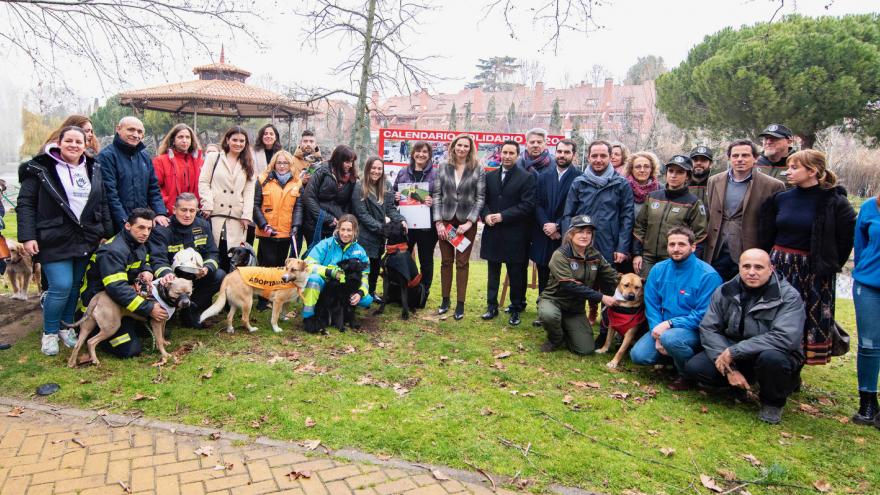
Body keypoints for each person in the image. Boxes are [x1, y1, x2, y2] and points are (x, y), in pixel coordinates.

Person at [17, 126, 113, 356]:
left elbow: (102, 202)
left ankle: (66, 327)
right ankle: (49, 333)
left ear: (85, 145)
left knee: (73, 287)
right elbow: (26, 204)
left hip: (85, 237)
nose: (74, 145)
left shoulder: (93, 167)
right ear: (59, 143)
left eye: (79, 142)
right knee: (59, 285)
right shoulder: (40, 168)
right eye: (68, 140)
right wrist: (28, 236)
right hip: (53, 237)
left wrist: (105, 231)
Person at [684, 249, 806, 424]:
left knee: (772, 360)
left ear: (771, 268)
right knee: (695, 367)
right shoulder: (725, 290)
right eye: (746, 266)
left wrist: (735, 351)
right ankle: (737, 384)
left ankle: (772, 402)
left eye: (758, 267)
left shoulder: (789, 297)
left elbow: (785, 337)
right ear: (739, 268)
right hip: (733, 350)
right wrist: (730, 369)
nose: (752, 272)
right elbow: (709, 328)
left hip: (772, 352)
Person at [758, 149, 856, 366]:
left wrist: (827, 264)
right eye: (788, 168)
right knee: (773, 314)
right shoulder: (781, 199)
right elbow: (767, 232)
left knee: (804, 320)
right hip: (779, 265)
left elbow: (845, 240)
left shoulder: (835, 202)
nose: (788, 173)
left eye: (794, 168)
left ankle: (796, 366)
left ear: (812, 171)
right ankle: (771, 363)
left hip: (812, 270)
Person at [630, 227, 722, 390]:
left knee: (671, 339)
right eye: (672, 244)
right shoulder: (658, 269)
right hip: (663, 329)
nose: (676, 249)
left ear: (693, 247)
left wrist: (669, 325)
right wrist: (657, 332)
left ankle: (687, 375)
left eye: (681, 244)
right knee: (638, 355)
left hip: (695, 331)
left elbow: (703, 314)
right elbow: (652, 305)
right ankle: (676, 358)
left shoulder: (708, 275)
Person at [79, 208, 166, 359]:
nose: (146, 233)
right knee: (130, 350)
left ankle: (128, 324)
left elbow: (143, 260)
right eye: (141, 227)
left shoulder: (138, 241)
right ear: (127, 226)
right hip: (98, 306)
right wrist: (148, 308)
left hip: (120, 303)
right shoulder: (113, 251)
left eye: (149, 228)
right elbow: (116, 289)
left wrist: (147, 270)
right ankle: (94, 332)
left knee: (159, 327)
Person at [563, 139, 633, 324]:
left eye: (603, 156)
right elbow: (568, 214)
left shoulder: (621, 184)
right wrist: (568, 242)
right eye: (594, 155)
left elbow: (627, 217)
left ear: (610, 157)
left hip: (609, 241)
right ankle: (589, 311)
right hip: (581, 242)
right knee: (584, 280)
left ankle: (606, 320)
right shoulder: (579, 182)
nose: (598, 159)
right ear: (588, 157)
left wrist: (622, 247)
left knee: (607, 282)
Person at [704, 139, 785, 281]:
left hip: (750, 251)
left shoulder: (772, 185)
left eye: (745, 155)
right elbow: (710, 214)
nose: (740, 159)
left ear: (755, 158)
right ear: (729, 158)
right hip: (716, 251)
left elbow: (775, 224)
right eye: (735, 156)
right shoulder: (714, 181)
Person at [537, 215, 619, 354]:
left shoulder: (595, 255)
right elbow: (569, 285)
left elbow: (612, 276)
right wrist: (602, 297)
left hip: (575, 308)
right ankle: (556, 339)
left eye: (588, 232)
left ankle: (566, 326)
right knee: (549, 315)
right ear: (571, 234)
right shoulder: (560, 254)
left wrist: (635, 282)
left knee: (585, 349)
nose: (584, 236)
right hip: (554, 300)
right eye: (580, 231)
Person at [480, 140, 536, 326]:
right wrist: (486, 215)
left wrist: (502, 216)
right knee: (493, 271)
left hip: (515, 234)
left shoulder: (527, 177)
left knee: (516, 273)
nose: (507, 156)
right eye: (504, 152)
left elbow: (527, 205)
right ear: (500, 154)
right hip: (493, 232)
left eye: (512, 153)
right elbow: (484, 202)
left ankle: (516, 308)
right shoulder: (490, 176)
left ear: (518, 155)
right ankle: (491, 306)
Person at [148, 193, 223, 328]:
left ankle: (190, 310)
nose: (187, 215)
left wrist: (207, 268)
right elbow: (157, 259)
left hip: (197, 275)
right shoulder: (162, 230)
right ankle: (171, 309)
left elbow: (212, 253)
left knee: (219, 275)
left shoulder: (203, 226)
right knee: (166, 332)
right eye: (183, 210)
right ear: (174, 209)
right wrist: (166, 274)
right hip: (172, 279)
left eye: (192, 210)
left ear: (197, 211)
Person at [432, 133, 486, 320]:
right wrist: (438, 222)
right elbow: (437, 195)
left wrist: (470, 222)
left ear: (470, 149)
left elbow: (480, 198)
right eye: (459, 145)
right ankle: (445, 301)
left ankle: (460, 304)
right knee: (446, 262)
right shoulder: (442, 167)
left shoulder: (477, 169)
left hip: (466, 222)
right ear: (453, 146)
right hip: (446, 221)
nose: (462, 149)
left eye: (466, 146)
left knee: (462, 263)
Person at [632, 155, 708, 277]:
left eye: (679, 172)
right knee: (647, 293)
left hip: (675, 260)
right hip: (648, 259)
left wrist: (690, 261)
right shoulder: (653, 197)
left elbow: (700, 236)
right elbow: (640, 226)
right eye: (671, 171)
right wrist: (637, 254)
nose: (673, 175)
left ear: (687, 176)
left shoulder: (694, 202)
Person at [198, 126, 256, 272]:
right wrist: (207, 203)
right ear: (227, 140)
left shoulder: (248, 162)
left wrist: (246, 215)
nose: (238, 143)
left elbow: (249, 191)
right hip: (215, 212)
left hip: (237, 216)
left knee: (233, 253)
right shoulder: (214, 157)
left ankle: (230, 286)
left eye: (242, 141)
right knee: (215, 249)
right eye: (234, 140)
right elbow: (204, 181)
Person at [530, 139, 581, 297]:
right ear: (555, 153)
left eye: (567, 152)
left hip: (566, 234)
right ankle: (543, 306)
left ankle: (560, 307)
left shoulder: (579, 177)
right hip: (544, 233)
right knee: (543, 270)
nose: (562, 155)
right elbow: (537, 203)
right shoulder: (544, 176)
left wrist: (558, 226)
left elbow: (578, 207)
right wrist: (547, 225)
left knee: (564, 273)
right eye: (559, 152)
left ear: (573, 155)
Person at [98, 116, 169, 231]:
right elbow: (110, 195)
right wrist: (125, 223)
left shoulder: (145, 157)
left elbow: (153, 189)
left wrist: (160, 212)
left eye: (140, 132)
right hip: (117, 225)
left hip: (141, 224)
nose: (136, 135)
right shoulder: (106, 156)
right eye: (131, 130)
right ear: (118, 129)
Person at [301, 214, 373, 327]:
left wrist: (360, 292)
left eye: (349, 230)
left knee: (366, 299)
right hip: (325, 284)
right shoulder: (325, 244)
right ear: (338, 229)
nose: (345, 233)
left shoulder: (360, 251)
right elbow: (308, 265)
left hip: (345, 288)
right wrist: (330, 272)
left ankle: (343, 313)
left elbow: (364, 276)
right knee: (313, 280)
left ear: (355, 231)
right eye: (342, 229)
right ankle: (308, 316)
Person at [352, 156, 406, 301]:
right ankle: (358, 292)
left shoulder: (386, 185)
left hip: (379, 235)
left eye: (379, 168)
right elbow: (362, 214)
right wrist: (381, 228)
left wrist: (401, 220)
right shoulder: (359, 186)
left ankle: (371, 291)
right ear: (368, 168)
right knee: (363, 265)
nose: (376, 171)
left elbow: (390, 209)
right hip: (363, 233)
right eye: (373, 168)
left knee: (376, 265)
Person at [393, 141, 439, 298]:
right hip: (406, 224)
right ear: (413, 153)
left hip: (427, 226)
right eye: (418, 151)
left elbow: (442, 197)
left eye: (425, 152)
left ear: (429, 155)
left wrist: (433, 201)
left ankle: (424, 291)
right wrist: (396, 197)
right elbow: (393, 196)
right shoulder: (402, 172)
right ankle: (404, 288)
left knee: (426, 259)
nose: (421, 154)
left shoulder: (436, 174)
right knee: (404, 258)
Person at [851, 192, 880, 425]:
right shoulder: (871, 206)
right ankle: (868, 402)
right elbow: (859, 246)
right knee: (869, 344)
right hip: (870, 284)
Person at [301, 144, 358, 247]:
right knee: (315, 256)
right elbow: (309, 197)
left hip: (336, 226)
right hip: (315, 223)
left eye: (352, 162)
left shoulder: (352, 179)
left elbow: (349, 203)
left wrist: (342, 219)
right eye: (347, 162)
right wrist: (326, 218)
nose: (350, 165)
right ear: (338, 160)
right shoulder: (322, 171)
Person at [153, 124, 204, 215]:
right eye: (180, 137)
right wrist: (167, 201)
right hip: (170, 213)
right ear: (173, 140)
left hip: (193, 213)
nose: (184, 140)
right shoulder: (161, 161)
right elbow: (154, 188)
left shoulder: (199, 162)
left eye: (188, 137)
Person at [625, 151, 660, 218]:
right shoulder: (623, 188)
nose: (642, 170)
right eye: (638, 167)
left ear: (651, 169)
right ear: (631, 169)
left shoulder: (660, 189)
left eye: (646, 166)